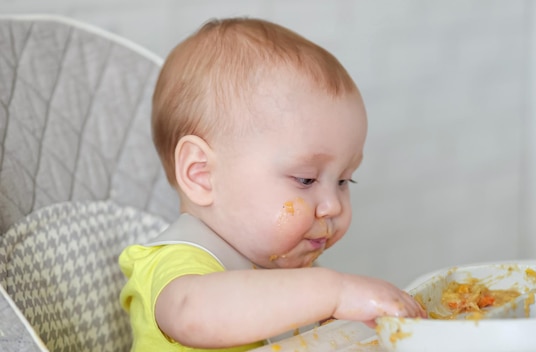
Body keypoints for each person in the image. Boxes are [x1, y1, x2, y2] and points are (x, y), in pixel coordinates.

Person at [119, 17, 426, 351]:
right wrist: (335, 292)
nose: (334, 205)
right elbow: (192, 315)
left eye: (343, 180)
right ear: (201, 174)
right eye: (306, 179)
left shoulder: (287, 267)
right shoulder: (182, 264)